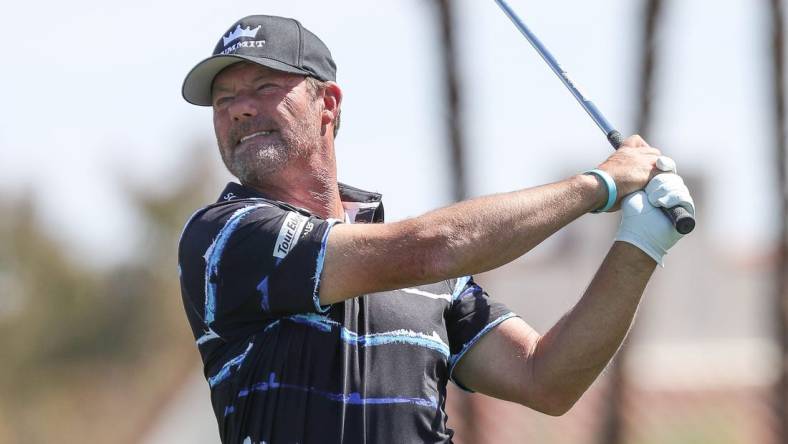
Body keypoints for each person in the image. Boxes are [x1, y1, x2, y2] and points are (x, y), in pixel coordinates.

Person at [178, 14, 695, 444]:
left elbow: (547, 379)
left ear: (327, 105)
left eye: (265, 87)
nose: (240, 108)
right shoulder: (225, 239)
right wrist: (599, 184)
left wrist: (641, 243)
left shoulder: (423, 274)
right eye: (224, 100)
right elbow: (434, 248)